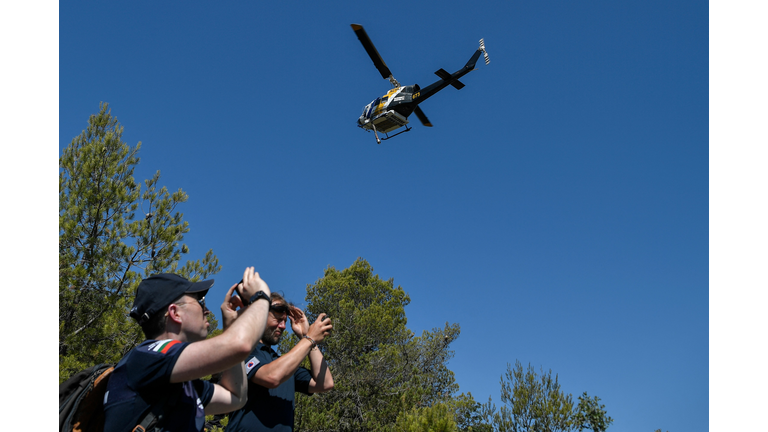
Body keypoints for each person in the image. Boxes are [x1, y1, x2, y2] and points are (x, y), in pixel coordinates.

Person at [103, 267, 272, 432]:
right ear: (175, 313)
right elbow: (239, 345)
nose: (207, 310)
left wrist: (231, 325)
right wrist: (261, 297)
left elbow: (236, 397)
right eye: (200, 302)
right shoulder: (148, 356)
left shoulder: (177, 382)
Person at [225, 293, 334, 432]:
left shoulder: (282, 364)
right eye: (277, 319)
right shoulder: (243, 352)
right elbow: (271, 377)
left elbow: (325, 383)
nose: (283, 326)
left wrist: (306, 336)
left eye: (284, 321)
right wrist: (309, 339)